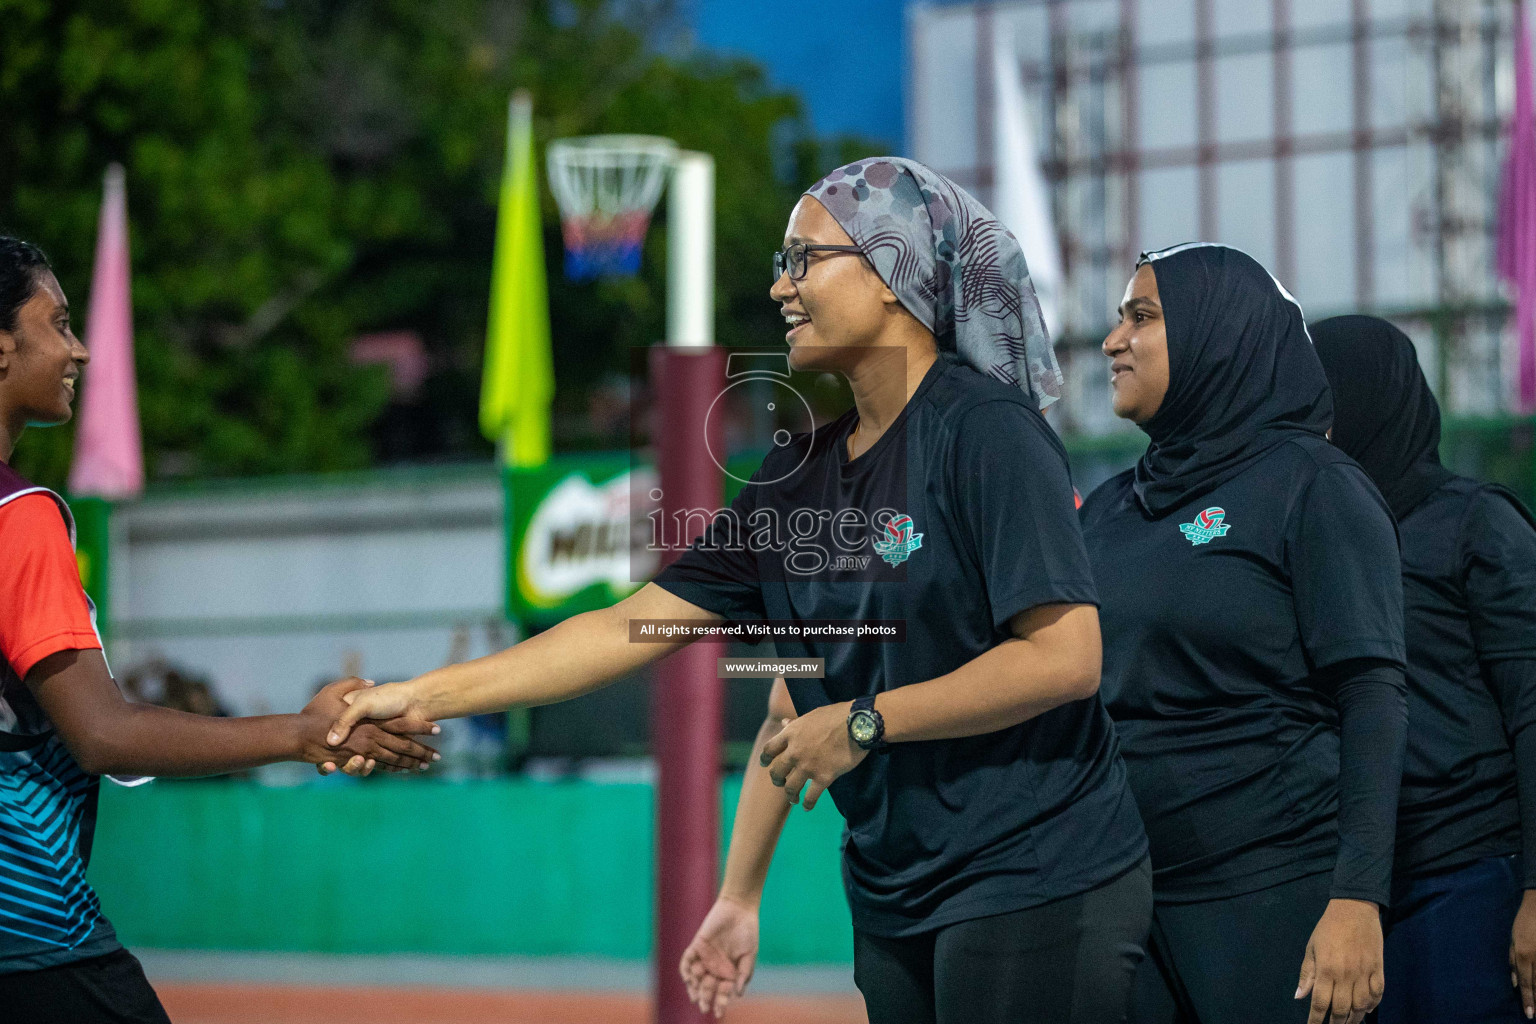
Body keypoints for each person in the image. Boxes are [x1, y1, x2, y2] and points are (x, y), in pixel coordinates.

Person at [332, 157, 1153, 1024]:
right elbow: (634, 633)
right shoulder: (793, 480)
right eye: (779, 262)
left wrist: (870, 722)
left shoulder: (986, 431)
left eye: (804, 259)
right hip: (894, 891)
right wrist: (421, 693)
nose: (778, 287)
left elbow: (1066, 658)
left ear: (890, 274)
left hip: (1037, 872)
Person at [0, 236, 441, 1024]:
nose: (80, 349)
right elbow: (104, 734)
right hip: (31, 934)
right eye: (59, 323)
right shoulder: (19, 521)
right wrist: (306, 735)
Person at [1078, 244, 1409, 1024]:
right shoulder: (1112, 508)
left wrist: (1358, 896)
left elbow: (1374, 700)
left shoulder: (1312, 484)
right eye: (1119, 316)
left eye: (1142, 316)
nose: (1112, 340)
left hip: (1273, 893)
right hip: (1126, 896)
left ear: (1215, 335)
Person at [1312, 314, 1536, 1024]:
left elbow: (1533, 709)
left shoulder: (1473, 524)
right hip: (1350, 897)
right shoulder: (1314, 535)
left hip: (1471, 881)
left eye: (1320, 395)